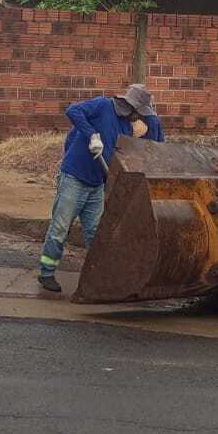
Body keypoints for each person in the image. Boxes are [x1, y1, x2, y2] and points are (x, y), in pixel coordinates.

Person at [37, 83, 164, 293]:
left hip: (96, 185)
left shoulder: (126, 126)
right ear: (131, 106)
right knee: (60, 228)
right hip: (74, 179)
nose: (139, 116)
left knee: (96, 234)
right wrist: (92, 134)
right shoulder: (102, 105)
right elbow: (73, 111)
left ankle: (98, 275)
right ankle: (47, 273)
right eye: (139, 112)